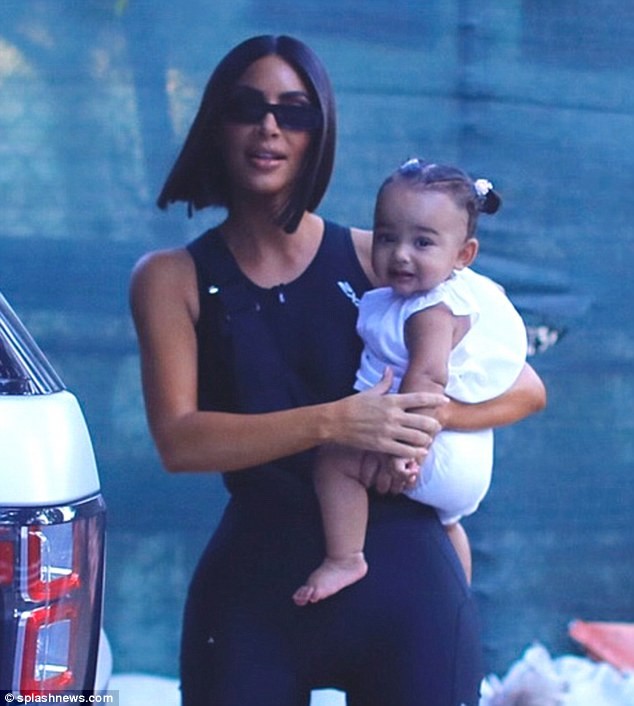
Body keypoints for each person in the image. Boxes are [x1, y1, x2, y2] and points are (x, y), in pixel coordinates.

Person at [130, 35, 546, 706]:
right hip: (256, 592)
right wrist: (338, 422)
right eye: (247, 107)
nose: (270, 127)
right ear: (215, 123)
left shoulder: (388, 259)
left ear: (318, 132)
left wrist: (425, 418)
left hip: (408, 586)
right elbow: (179, 441)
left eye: (293, 112)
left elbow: (525, 388)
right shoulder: (169, 277)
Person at [293, 159, 528, 608]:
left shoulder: (432, 311)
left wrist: (403, 453)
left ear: (463, 255)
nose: (400, 254)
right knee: (448, 526)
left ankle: (346, 558)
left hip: (431, 448)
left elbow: (426, 381)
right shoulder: (417, 299)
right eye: (387, 237)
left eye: (422, 242)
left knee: (334, 462)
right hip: (463, 459)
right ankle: (459, 602)